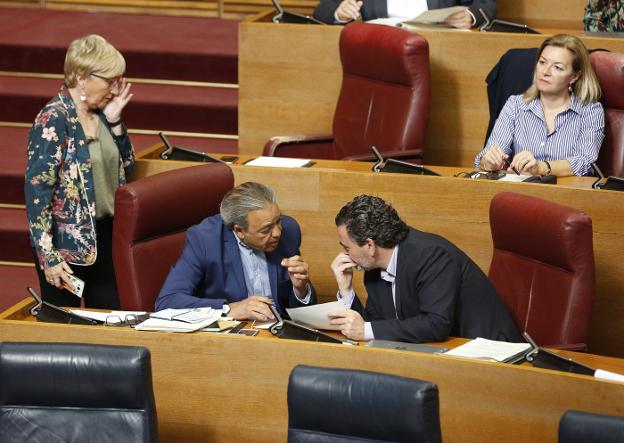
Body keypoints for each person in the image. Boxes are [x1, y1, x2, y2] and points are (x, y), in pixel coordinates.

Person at [25, 34, 134, 309]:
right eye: (110, 80)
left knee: (113, 323)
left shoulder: (103, 115)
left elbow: (128, 168)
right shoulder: (54, 118)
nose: (115, 88)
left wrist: (116, 121)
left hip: (108, 239)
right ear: (83, 77)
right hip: (67, 249)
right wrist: (48, 257)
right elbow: (37, 194)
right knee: (68, 335)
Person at [328, 195, 521, 343]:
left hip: (491, 354)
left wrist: (367, 330)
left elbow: (436, 324)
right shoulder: (374, 270)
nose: (345, 255)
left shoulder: (431, 256)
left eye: (347, 247)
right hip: (443, 353)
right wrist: (346, 290)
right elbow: (373, 325)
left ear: (369, 246)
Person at [156, 182, 316, 321]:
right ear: (239, 230)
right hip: (232, 337)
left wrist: (301, 290)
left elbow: (302, 311)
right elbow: (167, 302)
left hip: (282, 333)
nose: (277, 233)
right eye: (266, 229)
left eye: (278, 221)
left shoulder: (289, 231)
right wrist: (230, 309)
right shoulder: (205, 240)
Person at [475, 34, 604, 177]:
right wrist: (489, 162)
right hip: (522, 191)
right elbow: (489, 153)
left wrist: (541, 168)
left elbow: (585, 161)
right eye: (542, 62)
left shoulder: (591, 110)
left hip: (567, 194)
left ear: (575, 76)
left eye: (557, 67)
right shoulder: (515, 105)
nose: (545, 71)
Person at [313, 0, 495, 28]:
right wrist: (339, 11)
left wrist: (470, 17)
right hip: (379, 41)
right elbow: (323, 9)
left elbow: (486, 4)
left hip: (437, 38)